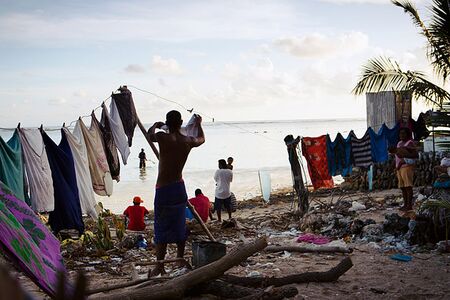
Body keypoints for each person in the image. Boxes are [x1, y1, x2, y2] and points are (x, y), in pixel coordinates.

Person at [148, 111, 205, 277]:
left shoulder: (162, 137)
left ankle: (160, 264)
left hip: (164, 188)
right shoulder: (187, 141)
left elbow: (149, 135)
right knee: (179, 222)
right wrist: (199, 124)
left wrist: (156, 125)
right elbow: (201, 139)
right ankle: (179, 257)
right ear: (181, 122)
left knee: (161, 225)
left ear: (167, 122)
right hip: (179, 186)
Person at [390, 127, 418, 211]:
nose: (401, 135)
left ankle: (409, 205)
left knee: (408, 186)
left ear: (407, 134)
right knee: (402, 187)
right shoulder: (399, 143)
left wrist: (403, 160)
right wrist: (396, 164)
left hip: (407, 167)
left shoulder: (410, 143)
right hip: (399, 168)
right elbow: (397, 156)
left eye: (403, 133)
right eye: (400, 133)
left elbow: (415, 155)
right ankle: (405, 204)